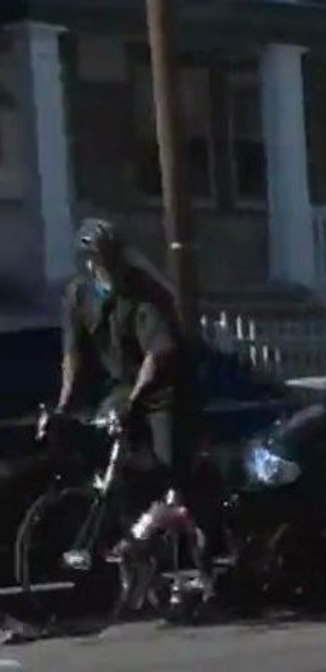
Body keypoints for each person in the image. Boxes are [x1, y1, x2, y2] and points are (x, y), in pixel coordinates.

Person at [44, 218, 212, 610]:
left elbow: (159, 355)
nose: (110, 267)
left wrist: (135, 402)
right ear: (89, 262)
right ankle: (136, 549)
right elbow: (73, 356)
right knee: (112, 459)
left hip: (166, 389)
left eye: (114, 259)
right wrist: (64, 406)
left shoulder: (143, 293)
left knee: (172, 476)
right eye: (101, 260)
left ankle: (203, 567)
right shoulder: (79, 295)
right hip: (124, 386)